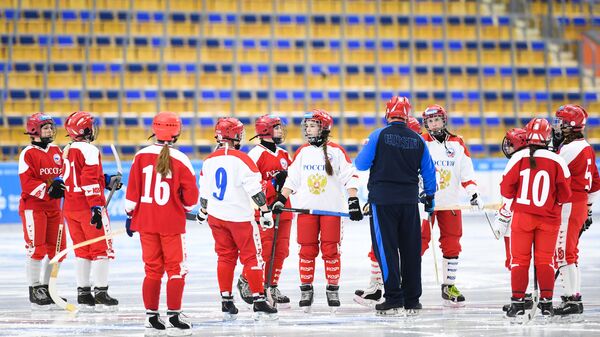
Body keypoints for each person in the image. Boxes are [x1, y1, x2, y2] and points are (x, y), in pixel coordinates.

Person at [272, 108, 363, 313]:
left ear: (323, 128)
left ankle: (332, 289)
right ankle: (306, 289)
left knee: (331, 251)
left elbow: (350, 176)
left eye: (312, 125)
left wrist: (353, 200)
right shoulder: (302, 151)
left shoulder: (336, 151)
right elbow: (292, 179)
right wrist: (281, 198)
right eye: (307, 126)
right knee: (306, 250)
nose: (308, 129)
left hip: (331, 211)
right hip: (306, 210)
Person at [354, 96, 436, 316]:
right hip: (409, 201)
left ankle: (393, 297)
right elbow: (429, 172)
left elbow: (360, 164)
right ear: (408, 114)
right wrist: (430, 197)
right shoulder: (418, 140)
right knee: (410, 249)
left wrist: (368, 148)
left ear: (388, 112)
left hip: (383, 201)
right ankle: (412, 299)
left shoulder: (378, 135)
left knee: (386, 248)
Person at [124, 112, 198, 335]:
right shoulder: (182, 159)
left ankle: (151, 316)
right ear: (177, 132)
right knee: (176, 270)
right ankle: (174, 314)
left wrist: (130, 216)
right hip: (171, 224)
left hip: (145, 222)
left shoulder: (140, 156)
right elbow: (191, 197)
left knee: (152, 270)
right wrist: (183, 209)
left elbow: (131, 194)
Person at [197, 117, 278, 320]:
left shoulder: (208, 160)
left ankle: (226, 300)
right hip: (239, 218)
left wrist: (203, 212)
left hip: (216, 216)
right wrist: (266, 211)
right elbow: (255, 190)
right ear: (236, 135)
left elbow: (204, 192)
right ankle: (259, 300)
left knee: (225, 257)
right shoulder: (243, 160)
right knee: (252, 256)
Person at [500, 118, 572, 320]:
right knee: (545, 261)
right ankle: (547, 304)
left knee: (519, 262)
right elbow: (566, 195)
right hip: (549, 219)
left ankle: (517, 303)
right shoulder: (557, 160)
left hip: (522, 217)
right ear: (548, 136)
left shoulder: (518, 157)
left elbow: (505, 189)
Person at [420, 104, 484, 307]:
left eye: (437, 120)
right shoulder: (421, 143)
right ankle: (407, 284)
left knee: (453, 243)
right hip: (425, 204)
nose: (433, 124)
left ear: (444, 120)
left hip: (450, 203)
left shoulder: (457, 143)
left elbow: (467, 172)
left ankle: (449, 286)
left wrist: (473, 192)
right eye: (430, 121)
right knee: (417, 242)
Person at [62, 111, 121, 311]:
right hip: (88, 207)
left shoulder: (68, 149)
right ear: (85, 130)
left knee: (82, 250)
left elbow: (80, 177)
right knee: (100, 249)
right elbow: (88, 181)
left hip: (70, 207)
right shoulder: (89, 150)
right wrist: (96, 206)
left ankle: (84, 292)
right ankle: (101, 291)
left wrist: (105, 180)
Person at [237, 115, 293, 308]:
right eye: (277, 127)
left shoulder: (284, 154)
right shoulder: (255, 154)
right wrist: (271, 184)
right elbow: (250, 182)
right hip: (264, 210)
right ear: (266, 130)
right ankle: (248, 280)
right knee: (265, 250)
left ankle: (272, 285)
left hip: (284, 209)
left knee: (282, 251)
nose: (280, 131)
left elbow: (294, 180)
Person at [551, 104, 600, 316]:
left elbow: (552, 171)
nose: (557, 126)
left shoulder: (569, 149)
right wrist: (588, 209)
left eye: (560, 122)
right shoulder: (586, 147)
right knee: (569, 252)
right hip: (578, 205)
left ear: (570, 125)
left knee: (563, 254)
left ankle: (573, 299)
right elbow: (596, 183)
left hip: (569, 205)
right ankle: (572, 294)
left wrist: (551, 150)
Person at [18, 112, 67, 309]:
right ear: (34, 131)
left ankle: (49, 288)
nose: (49, 130)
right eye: (45, 127)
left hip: (55, 209)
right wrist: (49, 190)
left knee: (58, 250)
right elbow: (27, 182)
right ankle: (35, 288)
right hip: (34, 208)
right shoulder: (27, 154)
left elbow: (65, 174)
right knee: (36, 249)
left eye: (50, 127)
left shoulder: (56, 150)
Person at [495, 128, 537, 313]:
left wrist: (503, 218)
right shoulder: (532, 158)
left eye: (511, 143)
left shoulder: (515, 161)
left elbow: (508, 194)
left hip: (516, 220)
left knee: (515, 260)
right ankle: (530, 295)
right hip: (531, 216)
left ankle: (523, 296)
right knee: (528, 258)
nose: (507, 146)